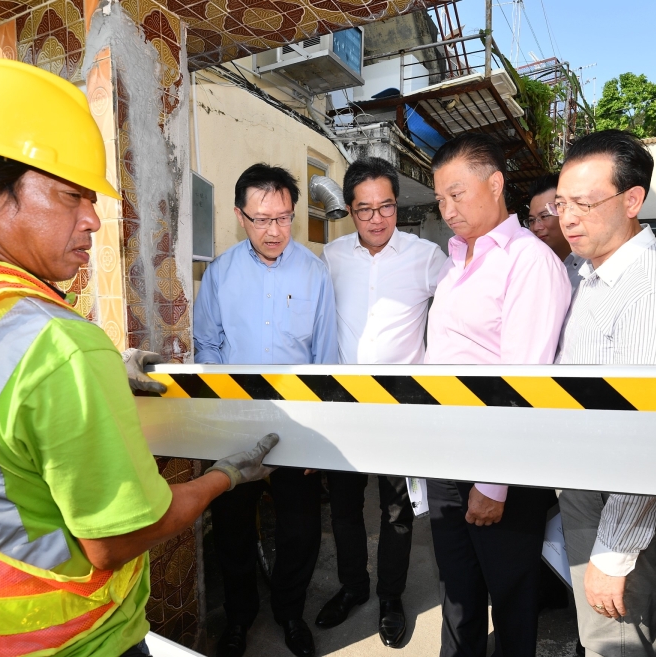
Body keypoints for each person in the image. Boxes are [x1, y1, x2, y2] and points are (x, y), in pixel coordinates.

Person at [0, 58, 278, 657]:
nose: (93, 221)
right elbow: (117, 540)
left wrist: (96, 375)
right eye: (69, 196)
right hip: (62, 642)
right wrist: (225, 477)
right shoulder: (57, 345)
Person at [424, 134, 571, 657]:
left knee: (510, 600)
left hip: (498, 465)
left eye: (457, 194)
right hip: (447, 455)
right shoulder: (456, 261)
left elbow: (524, 382)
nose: (448, 210)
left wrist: (495, 483)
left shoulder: (528, 261)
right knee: (456, 593)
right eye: (440, 199)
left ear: (495, 183)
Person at [552, 130, 656, 657]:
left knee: (613, 642)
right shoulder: (590, 274)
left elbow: (653, 432)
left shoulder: (653, 284)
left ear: (633, 201)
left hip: (617, 504)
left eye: (585, 204)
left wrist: (613, 556)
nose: (568, 218)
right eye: (563, 203)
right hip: (587, 487)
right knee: (599, 637)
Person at [192, 164, 338, 657]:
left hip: (297, 425)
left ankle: (290, 613)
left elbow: (326, 357)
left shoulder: (314, 272)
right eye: (261, 219)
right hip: (236, 427)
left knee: (300, 530)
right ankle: (238, 619)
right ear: (240, 216)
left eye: (284, 218)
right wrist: (224, 415)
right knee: (233, 530)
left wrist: (318, 434)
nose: (274, 230)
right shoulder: (219, 273)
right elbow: (206, 348)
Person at [317, 157, 447, 647]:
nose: (377, 219)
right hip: (344, 411)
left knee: (395, 510)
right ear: (350, 209)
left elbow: (462, 312)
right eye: (365, 209)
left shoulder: (427, 257)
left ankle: (391, 598)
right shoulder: (330, 258)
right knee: (346, 508)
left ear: (398, 205)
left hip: (399, 413)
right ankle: (353, 587)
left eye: (386, 207)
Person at [527, 172, 585, 292]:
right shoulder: (535, 269)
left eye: (544, 216)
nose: (537, 227)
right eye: (532, 220)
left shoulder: (593, 264)